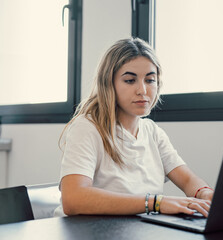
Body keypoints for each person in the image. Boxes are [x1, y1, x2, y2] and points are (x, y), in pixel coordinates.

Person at [54, 38, 214, 217]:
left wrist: (204, 193)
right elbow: (73, 199)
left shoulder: (152, 132)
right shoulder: (87, 127)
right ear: (109, 84)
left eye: (150, 80)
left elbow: (188, 179)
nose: (142, 90)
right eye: (130, 80)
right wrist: (156, 203)